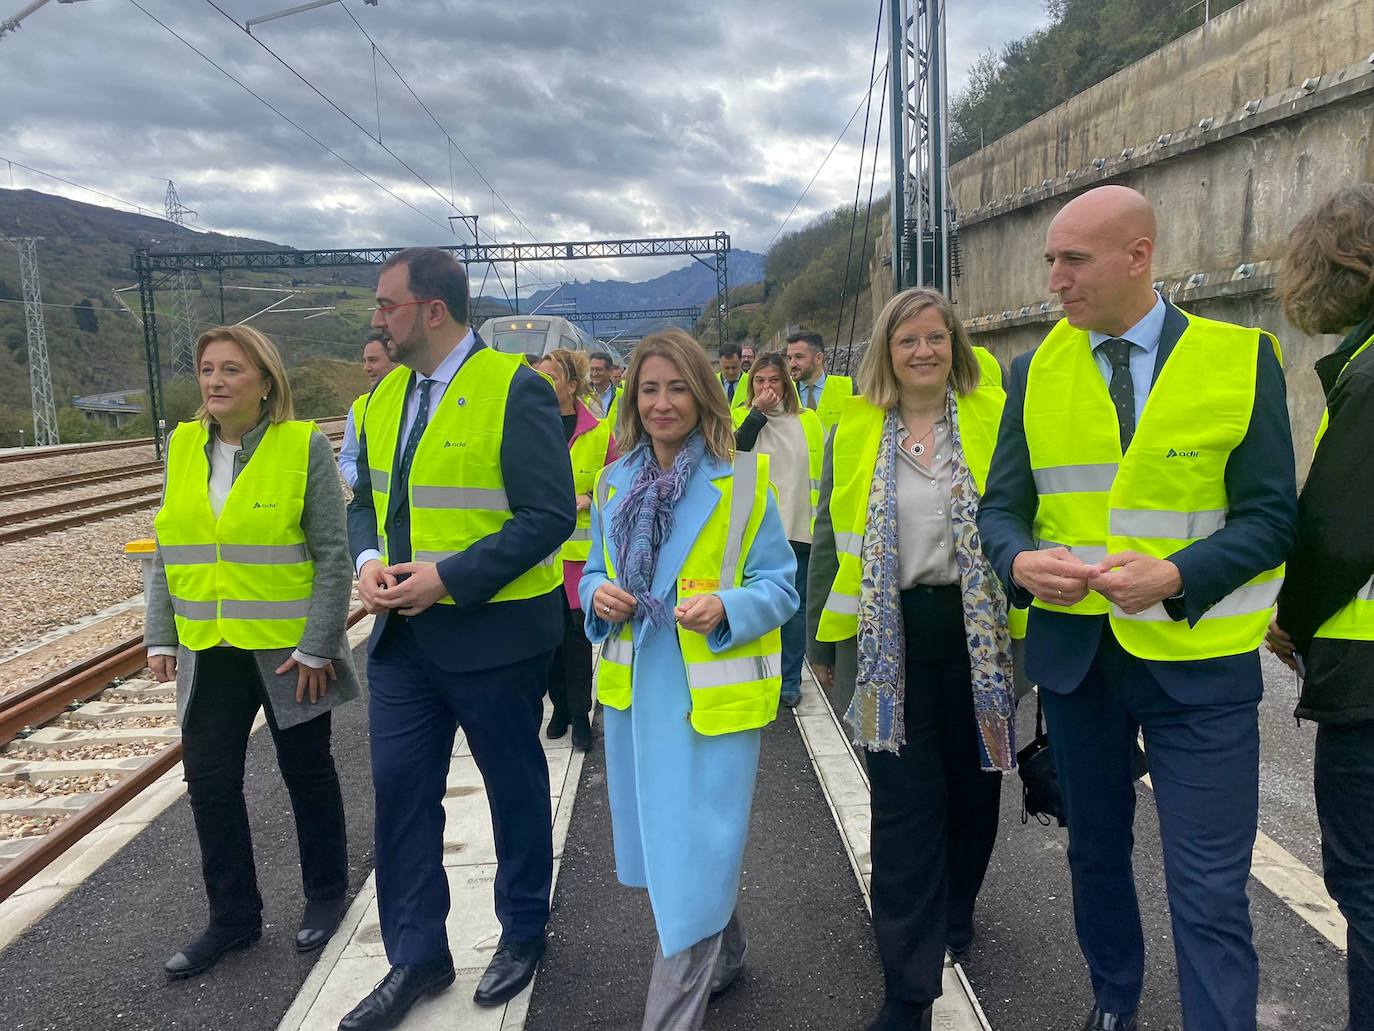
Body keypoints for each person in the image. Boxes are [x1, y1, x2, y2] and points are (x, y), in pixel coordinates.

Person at [978, 185, 1296, 1031]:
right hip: (1080, 664)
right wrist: (1019, 559)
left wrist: (1179, 575)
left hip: (1201, 663)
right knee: (1095, 853)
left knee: (1208, 881)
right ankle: (1114, 999)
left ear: (1138, 256)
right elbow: (1000, 508)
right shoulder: (1036, 367)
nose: (1055, 280)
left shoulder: (1240, 357)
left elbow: (1271, 516)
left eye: (1071, 260)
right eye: (1050, 260)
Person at [341, 248, 575, 1030]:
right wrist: (370, 559)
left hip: (498, 636)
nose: (377, 318)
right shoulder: (380, 400)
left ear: (430, 309)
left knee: (514, 789)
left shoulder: (514, 388)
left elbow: (549, 517)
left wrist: (447, 576)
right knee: (403, 794)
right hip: (403, 644)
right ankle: (417, 952)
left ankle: (522, 931)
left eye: (386, 305)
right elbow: (365, 502)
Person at [806, 288, 1015, 1031]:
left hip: (983, 633)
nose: (923, 350)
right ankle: (907, 989)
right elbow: (832, 532)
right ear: (885, 352)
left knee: (974, 789)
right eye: (907, 340)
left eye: (936, 337)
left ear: (955, 344)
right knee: (901, 807)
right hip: (888, 636)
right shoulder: (856, 428)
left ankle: (958, 906)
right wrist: (820, 643)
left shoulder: (994, 413)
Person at [580, 328, 798, 1031]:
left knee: (694, 850)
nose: (662, 402)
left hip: (711, 705)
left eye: (677, 387)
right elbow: (592, 573)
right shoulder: (613, 481)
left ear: (702, 392)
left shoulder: (744, 479)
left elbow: (781, 585)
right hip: (637, 698)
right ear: (631, 397)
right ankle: (727, 951)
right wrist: (596, 598)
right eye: (649, 389)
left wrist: (727, 606)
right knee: (677, 844)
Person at [145, 325, 359, 978]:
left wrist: (320, 644)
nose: (214, 381)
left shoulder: (301, 448)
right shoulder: (183, 446)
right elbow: (168, 544)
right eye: (208, 368)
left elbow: (331, 553)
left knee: (307, 771)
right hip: (210, 646)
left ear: (266, 383)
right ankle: (232, 918)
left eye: (231, 369)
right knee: (209, 783)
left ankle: (325, 894)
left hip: (289, 649)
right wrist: (160, 633)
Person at [1267, 183, 1374, 1031]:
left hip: (1369, 688)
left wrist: (1290, 617)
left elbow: (1337, 531)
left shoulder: (1369, 379)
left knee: (1367, 889)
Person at [534, 348, 618, 751]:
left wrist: (589, 495)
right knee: (548, 640)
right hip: (537, 556)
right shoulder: (525, 426)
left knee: (577, 639)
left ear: (571, 383)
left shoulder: (600, 432)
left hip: (579, 561)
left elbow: (621, 485)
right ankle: (559, 708)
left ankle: (582, 713)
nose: (542, 384)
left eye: (550, 377)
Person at [734, 352, 822, 708]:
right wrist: (756, 413)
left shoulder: (808, 421)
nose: (767, 388)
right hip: (754, 530)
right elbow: (733, 453)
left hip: (800, 527)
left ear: (786, 383)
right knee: (754, 605)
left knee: (794, 609)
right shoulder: (740, 417)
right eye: (760, 381)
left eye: (774, 380)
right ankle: (755, 675)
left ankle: (789, 680)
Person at [339, 332, 398, 488]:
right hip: (372, 504)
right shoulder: (360, 407)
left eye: (373, 360)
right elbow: (348, 457)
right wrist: (364, 484)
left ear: (396, 362)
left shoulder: (419, 398)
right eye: (365, 361)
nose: (366, 368)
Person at [787, 331, 853, 431]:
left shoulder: (850, 388)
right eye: (789, 358)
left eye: (799, 357)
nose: (792, 364)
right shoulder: (783, 391)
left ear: (818, 358)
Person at [716, 341, 749, 410]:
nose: (731, 372)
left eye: (734, 367)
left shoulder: (751, 381)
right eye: (726, 368)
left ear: (740, 361)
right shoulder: (711, 382)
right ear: (720, 362)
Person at [589, 350, 621, 421]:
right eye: (592, 369)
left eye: (599, 370)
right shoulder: (581, 396)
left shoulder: (623, 396)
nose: (594, 374)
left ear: (610, 371)